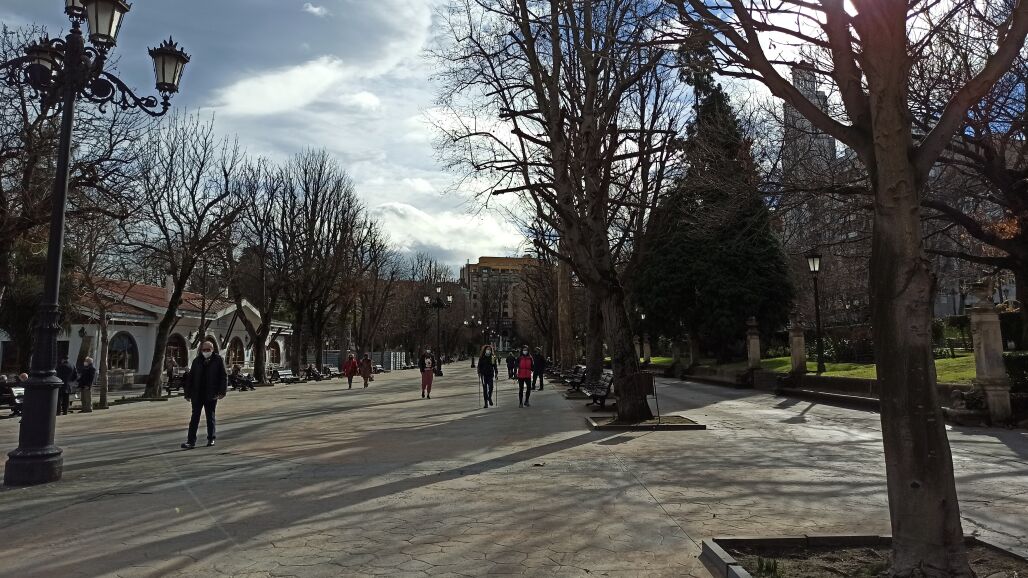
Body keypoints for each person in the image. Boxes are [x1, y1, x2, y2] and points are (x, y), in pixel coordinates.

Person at [181, 341, 227, 449]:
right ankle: (190, 441)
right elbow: (191, 378)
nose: (206, 352)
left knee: (210, 417)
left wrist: (222, 392)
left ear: (212, 349)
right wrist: (187, 393)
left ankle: (211, 438)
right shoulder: (197, 361)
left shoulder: (218, 360)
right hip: (197, 394)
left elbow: (223, 377)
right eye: (204, 350)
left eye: (208, 350)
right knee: (194, 418)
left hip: (211, 393)